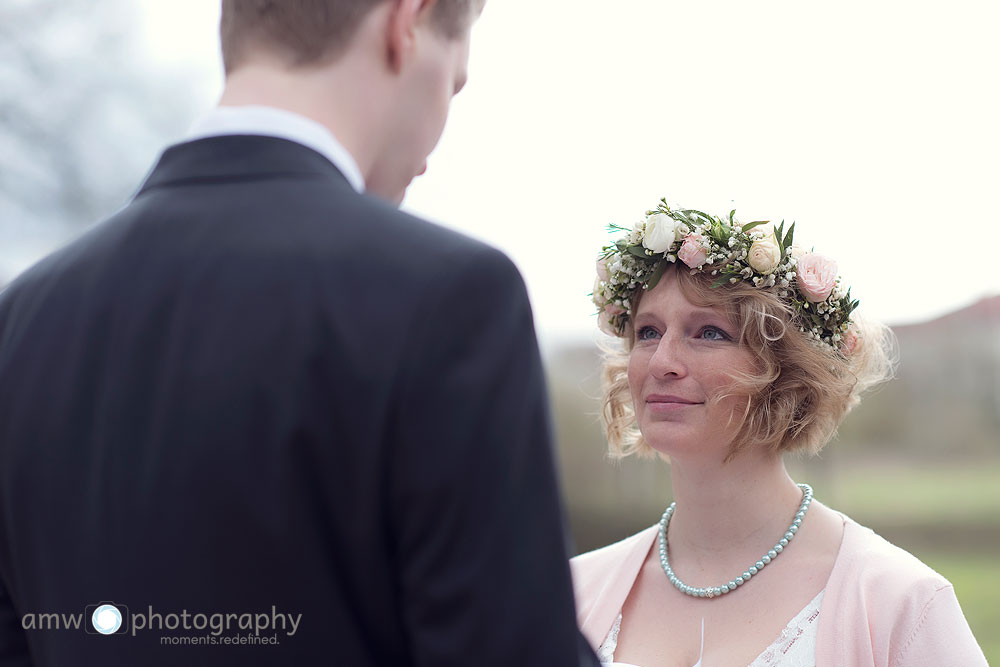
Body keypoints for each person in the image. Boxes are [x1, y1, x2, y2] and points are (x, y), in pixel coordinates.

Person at [0, 1, 597, 665]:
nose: (430, 154)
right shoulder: (450, 297)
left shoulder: (22, 318)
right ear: (407, 23)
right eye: (454, 82)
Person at [571, 201, 987, 667]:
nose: (662, 361)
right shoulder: (573, 595)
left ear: (785, 372)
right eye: (648, 331)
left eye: (708, 332)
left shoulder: (898, 604)